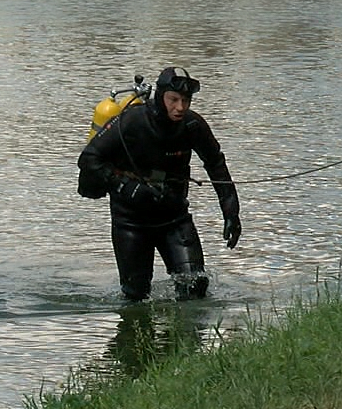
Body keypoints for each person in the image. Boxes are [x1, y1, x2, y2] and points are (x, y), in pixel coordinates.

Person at [77, 67, 243, 301]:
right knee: (136, 296)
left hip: (174, 217)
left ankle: (184, 336)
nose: (180, 107)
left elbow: (216, 164)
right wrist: (126, 186)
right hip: (130, 221)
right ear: (160, 96)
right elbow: (88, 158)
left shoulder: (192, 125)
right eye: (173, 100)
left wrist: (231, 212)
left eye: (186, 100)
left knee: (195, 287)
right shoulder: (131, 121)